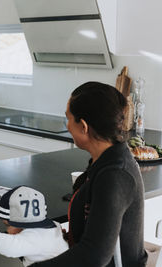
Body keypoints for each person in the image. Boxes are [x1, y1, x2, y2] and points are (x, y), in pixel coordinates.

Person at [31, 82, 148, 266]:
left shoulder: (115, 175)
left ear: (83, 126)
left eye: (68, 118)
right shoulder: (106, 160)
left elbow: (95, 255)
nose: (67, 125)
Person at [0, 186, 68, 266]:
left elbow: (9, 246)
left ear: (21, 224)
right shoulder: (54, 227)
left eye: (7, 225)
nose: (7, 231)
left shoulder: (33, 237)